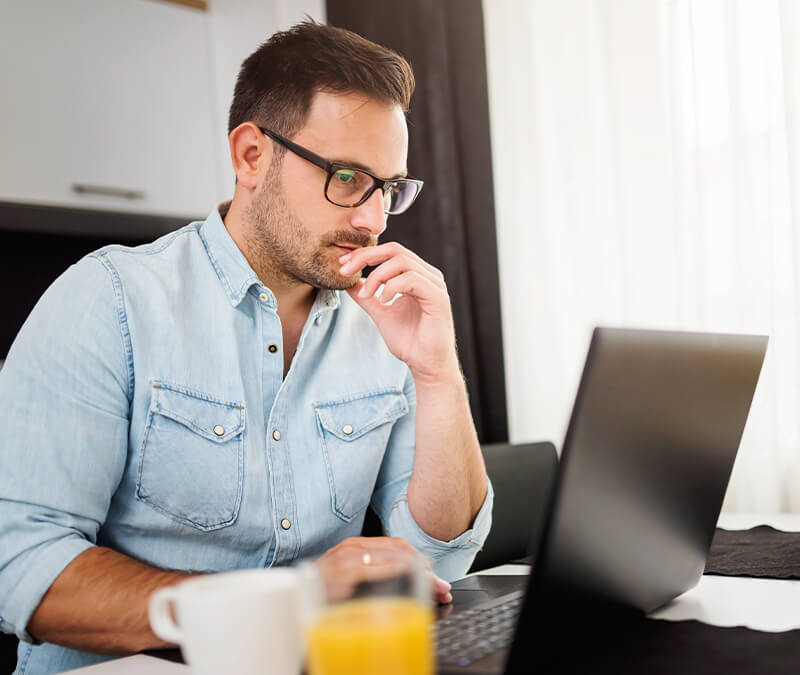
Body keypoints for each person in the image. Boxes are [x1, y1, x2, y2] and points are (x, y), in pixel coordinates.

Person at [0, 20, 492, 674]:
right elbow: (21, 563)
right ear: (252, 155)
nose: (373, 220)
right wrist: (289, 599)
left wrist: (437, 375)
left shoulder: (385, 324)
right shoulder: (110, 299)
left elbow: (438, 555)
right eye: (347, 177)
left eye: (389, 187)